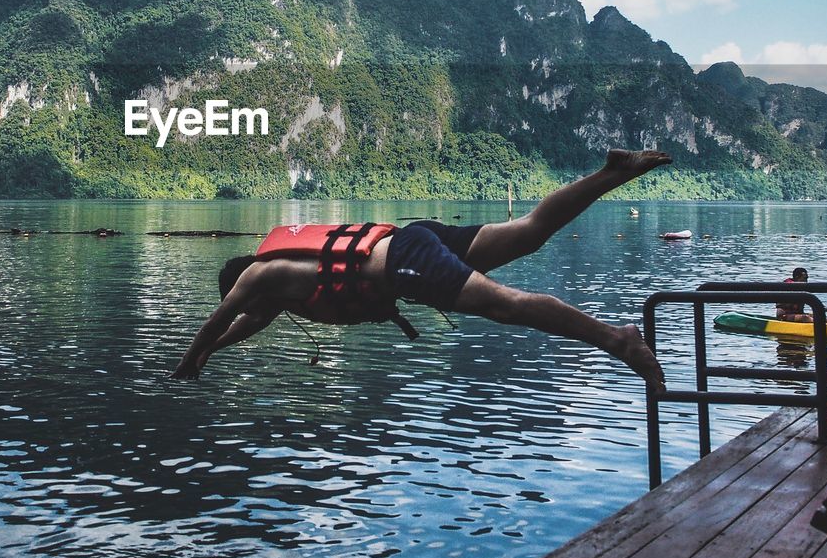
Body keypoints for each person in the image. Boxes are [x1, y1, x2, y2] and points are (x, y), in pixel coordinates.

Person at [172, 149, 670, 393]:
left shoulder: (260, 278)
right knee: (531, 229)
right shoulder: (278, 291)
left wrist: (192, 355)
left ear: (240, 282)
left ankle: (617, 339)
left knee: (505, 305)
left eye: (240, 298)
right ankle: (613, 172)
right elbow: (238, 329)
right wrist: (209, 355)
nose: (251, 313)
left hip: (407, 263)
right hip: (413, 237)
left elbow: (223, 318)